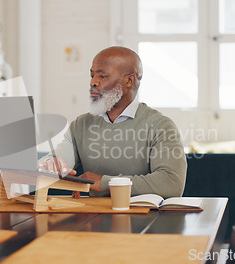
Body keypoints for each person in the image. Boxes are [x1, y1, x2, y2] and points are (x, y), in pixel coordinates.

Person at [39, 46, 187, 199]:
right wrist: (49, 164)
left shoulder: (161, 126)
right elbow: (57, 162)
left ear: (129, 80)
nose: (93, 83)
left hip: (143, 219)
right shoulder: (81, 124)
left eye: (102, 76)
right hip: (93, 218)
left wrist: (105, 182)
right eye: (92, 76)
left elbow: (171, 184)